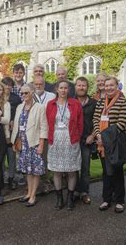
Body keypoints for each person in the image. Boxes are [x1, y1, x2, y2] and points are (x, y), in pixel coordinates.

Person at [93, 76, 126, 213]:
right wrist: (98, 134)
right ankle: (106, 199)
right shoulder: (101, 101)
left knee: (117, 171)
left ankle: (120, 200)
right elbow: (96, 119)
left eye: (111, 85)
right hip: (102, 144)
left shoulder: (122, 102)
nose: (108, 88)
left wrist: (105, 137)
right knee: (106, 172)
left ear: (116, 86)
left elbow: (121, 123)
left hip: (116, 143)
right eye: (106, 85)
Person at [46, 80, 84, 210]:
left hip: (71, 140)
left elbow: (80, 123)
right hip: (55, 140)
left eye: (65, 88)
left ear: (68, 90)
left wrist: (76, 138)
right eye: (61, 88)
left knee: (72, 171)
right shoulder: (50, 104)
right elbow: (48, 122)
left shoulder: (75, 104)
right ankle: (59, 198)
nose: (63, 90)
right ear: (56, 89)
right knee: (56, 171)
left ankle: (70, 198)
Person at [12, 83, 47, 207]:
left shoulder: (40, 107)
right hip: (22, 143)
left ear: (32, 93)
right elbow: (16, 126)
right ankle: (28, 193)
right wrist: (14, 141)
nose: (24, 95)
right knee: (27, 170)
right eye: (22, 93)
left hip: (34, 143)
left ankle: (33, 196)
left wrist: (41, 144)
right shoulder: (19, 107)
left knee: (35, 170)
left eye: (26, 93)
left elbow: (44, 127)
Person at [74, 76, 97, 205]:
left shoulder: (93, 103)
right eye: (79, 85)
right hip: (73, 140)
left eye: (83, 85)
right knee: (73, 168)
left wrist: (92, 135)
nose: (81, 87)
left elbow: (97, 121)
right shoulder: (70, 101)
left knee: (85, 167)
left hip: (86, 140)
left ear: (87, 87)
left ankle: (84, 192)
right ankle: (75, 191)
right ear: (75, 87)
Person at [33, 75, 56, 193]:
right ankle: (34, 185)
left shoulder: (52, 96)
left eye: (40, 84)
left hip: (46, 132)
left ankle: (46, 182)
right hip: (32, 133)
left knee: (45, 159)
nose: (38, 86)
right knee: (33, 159)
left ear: (44, 84)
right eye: (36, 84)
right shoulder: (29, 96)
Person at [1, 77, 22, 190]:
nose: (8, 87)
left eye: (10, 85)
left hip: (12, 130)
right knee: (0, 155)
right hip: (0, 131)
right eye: (6, 85)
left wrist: (14, 120)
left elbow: (19, 112)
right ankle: (3, 177)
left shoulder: (16, 98)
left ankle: (11, 178)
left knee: (11, 155)